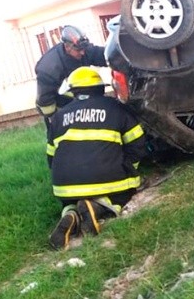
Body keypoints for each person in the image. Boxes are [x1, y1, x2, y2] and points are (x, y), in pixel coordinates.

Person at [47, 66, 147, 250]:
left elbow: (51, 157)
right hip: (106, 177)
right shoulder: (116, 107)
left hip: (65, 185)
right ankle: (99, 207)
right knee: (124, 193)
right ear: (100, 88)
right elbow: (137, 142)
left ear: (73, 92)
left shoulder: (59, 116)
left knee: (69, 200)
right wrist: (128, 166)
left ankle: (70, 213)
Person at [35, 25, 107, 136]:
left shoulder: (83, 50)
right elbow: (46, 104)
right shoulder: (49, 67)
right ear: (67, 47)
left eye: (84, 49)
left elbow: (105, 56)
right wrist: (57, 122)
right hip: (61, 107)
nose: (83, 53)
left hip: (81, 102)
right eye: (79, 50)